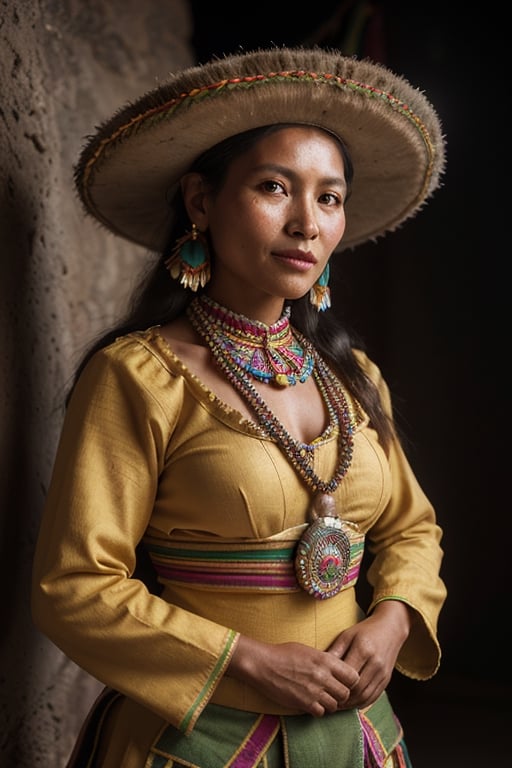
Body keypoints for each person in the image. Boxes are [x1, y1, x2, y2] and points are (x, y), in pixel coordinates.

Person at [31, 46, 447, 768]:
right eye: (274, 187)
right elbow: (76, 587)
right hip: (199, 744)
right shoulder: (139, 376)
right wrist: (245, 661)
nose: (307, 224)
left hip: (362, 740)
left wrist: (393, 618)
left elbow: (413, 528)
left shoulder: (355, 379)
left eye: (329, 197)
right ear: (200, 201)